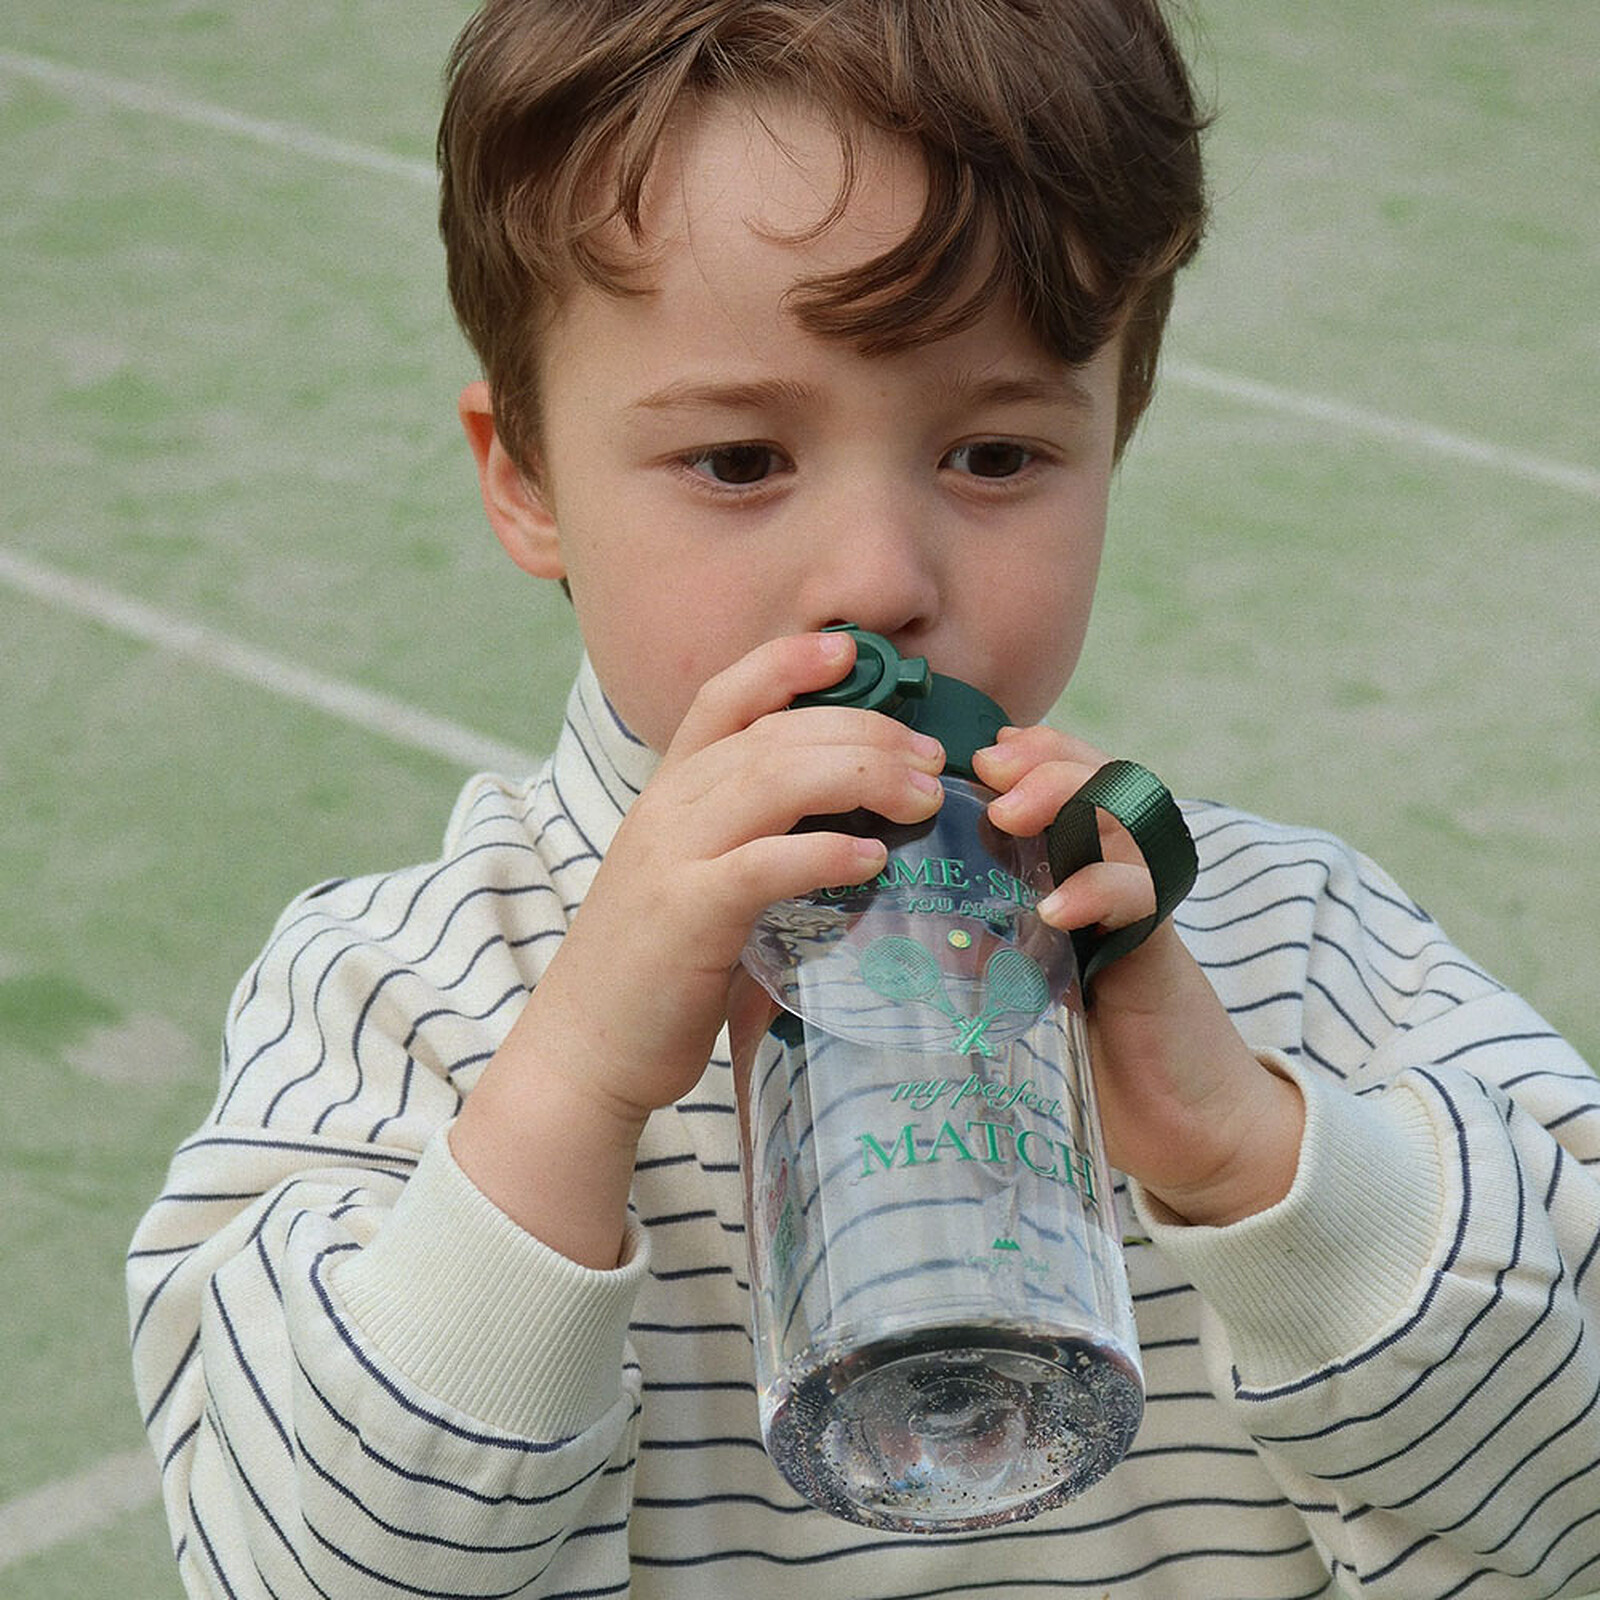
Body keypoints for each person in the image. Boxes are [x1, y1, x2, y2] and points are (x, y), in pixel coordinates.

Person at [127, 2, 1600, 1596]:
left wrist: (1265, 1164)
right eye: (741, 460)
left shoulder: (1297, 951)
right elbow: (302, 1568)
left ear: (1117, 437)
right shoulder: (403, 998)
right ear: (526, 475)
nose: (881, 579)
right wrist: (564, 1092)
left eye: (995, 454)